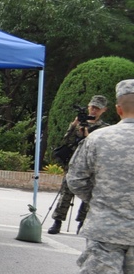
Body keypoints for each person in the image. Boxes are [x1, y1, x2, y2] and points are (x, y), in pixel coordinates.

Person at [66, 79, 134, 274]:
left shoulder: (100, 138)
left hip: (106, 228)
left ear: (118, 108)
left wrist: (100, 200)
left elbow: (75, 179)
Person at [48, 95, 109, 235]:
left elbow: (98, 147)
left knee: (88, 196)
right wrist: (74, 125)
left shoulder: (104, 128)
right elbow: (66, 140)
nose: (93, 111)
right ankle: (57, 221)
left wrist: (87, 135)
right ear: (88, 106)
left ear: (104, 110)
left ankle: (82, 223)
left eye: (97, 109)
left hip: (91, 166)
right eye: (92, 107)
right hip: (75, 163)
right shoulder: (79, 123)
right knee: (66, 192)